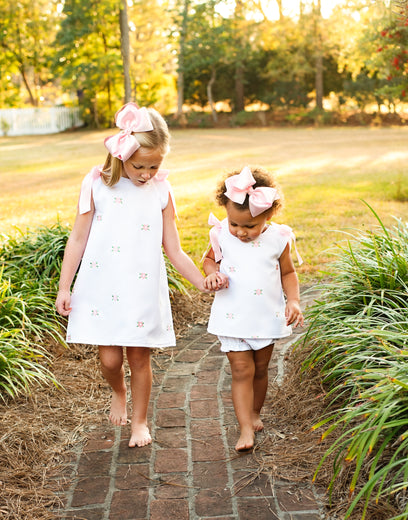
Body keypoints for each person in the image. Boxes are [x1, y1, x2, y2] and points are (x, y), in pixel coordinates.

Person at [56, 102, 210, 448]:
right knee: (110, 359)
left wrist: (201, 282)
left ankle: (139, 422)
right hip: (102, 285)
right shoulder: (96, 184)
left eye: (154, 165)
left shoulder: (161, 190)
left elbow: (175, 249)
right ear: (122, 155)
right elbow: (77, 238)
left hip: (141, 288)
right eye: (140, 165)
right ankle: (118, 391)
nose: (146, 173)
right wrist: (65, 287)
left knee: (139, 356)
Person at [203, 166, 304, 452]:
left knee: (260, 369)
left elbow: (288, 273)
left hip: (265, 315)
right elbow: (209, 261)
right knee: (241, 369)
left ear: (269, 215)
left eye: (249, 226)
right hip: (232, 315)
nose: (241, 232)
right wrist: (212, 274)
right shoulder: (222, 234)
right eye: (235, 224)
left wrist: (293, 300)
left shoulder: (279, 238)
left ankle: (255, 412)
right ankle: (245, 427)